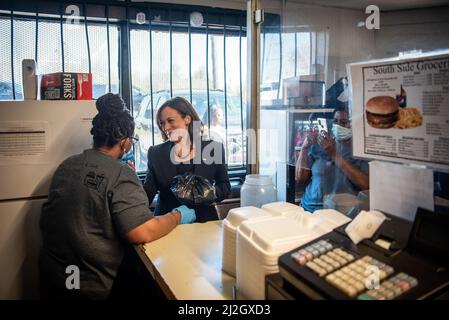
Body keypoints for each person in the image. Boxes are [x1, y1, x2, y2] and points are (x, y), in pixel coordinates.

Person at [39, 93, 196, 300]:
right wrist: (177, 215)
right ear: (125, 143)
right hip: (93, 285)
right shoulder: (121, 173)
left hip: (56, 276)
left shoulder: (67, 165)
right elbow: (142, 232)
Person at [144, 97, 231, 222]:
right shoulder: (156, 153)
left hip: (204, 223)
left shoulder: (214, 148)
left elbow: (225, 187)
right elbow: (147, 194)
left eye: (170, 121)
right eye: (162, 123)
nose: (165, 127)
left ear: (187, 119)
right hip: (166, 225)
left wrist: (208, 193)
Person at [295, 110, 369, 213]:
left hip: (339, 212)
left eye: (343, 122)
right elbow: (300, 178)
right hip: (308, 208)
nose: (338, 126)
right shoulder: (321, 144)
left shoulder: (360, 150)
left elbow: (366, 184)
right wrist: (304, 148)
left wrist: (334, 155)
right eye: (335, 121)